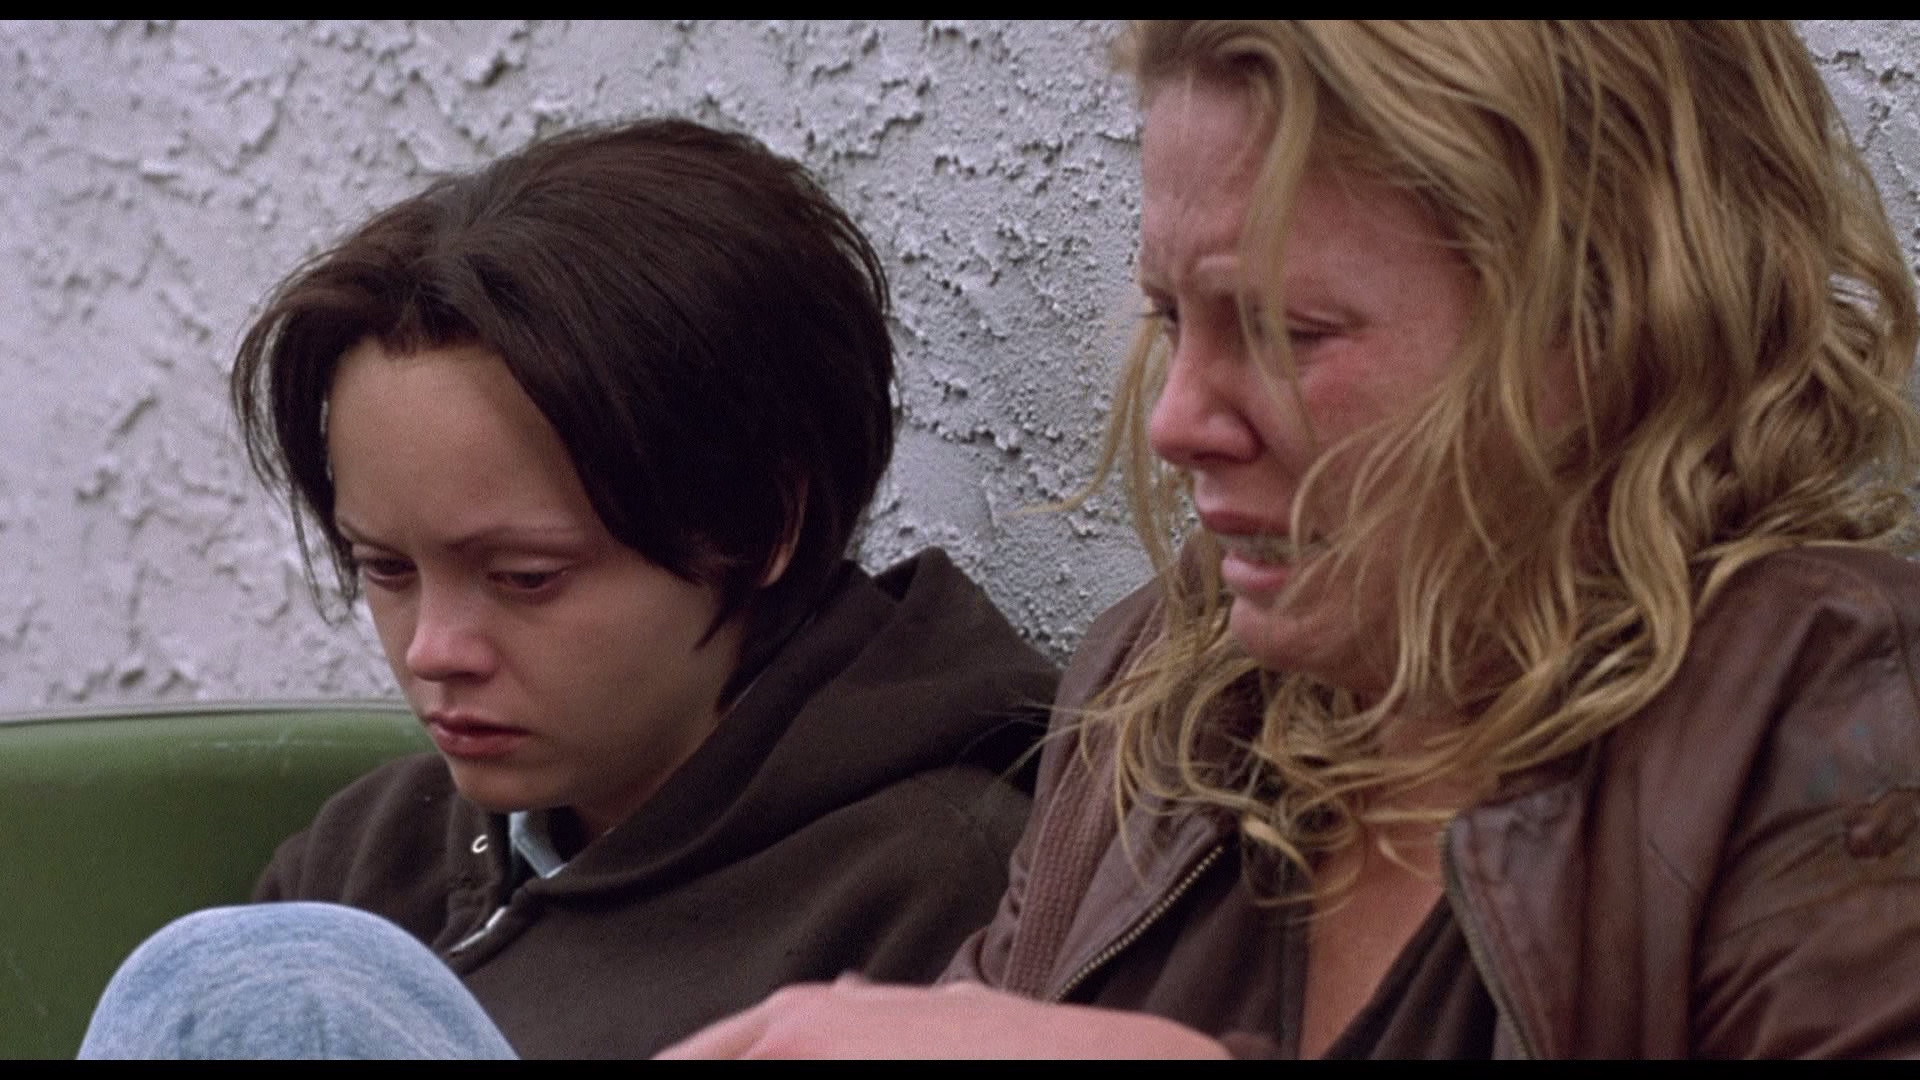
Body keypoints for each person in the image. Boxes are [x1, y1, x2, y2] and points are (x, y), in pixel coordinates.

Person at [658, 20, 1920, 1058]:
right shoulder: (1167, 689)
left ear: (1607, 324)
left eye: (1285, 332)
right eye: (1171, 316)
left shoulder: (1835, 722)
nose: (1176, 420)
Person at [79, 117, 1056, 1058]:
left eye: (525, 578)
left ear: (761, 528)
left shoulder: (930, 891)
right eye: (386, 569)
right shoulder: (372, 854)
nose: (433, 650)